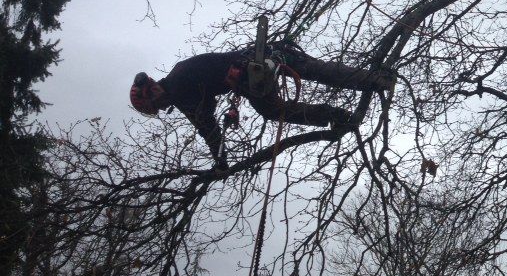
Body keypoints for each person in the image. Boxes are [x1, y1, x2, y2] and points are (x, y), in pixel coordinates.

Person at [129, 42, 393, 170]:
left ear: (154, 91)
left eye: (158, 105)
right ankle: (378, 80)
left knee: (273, 110)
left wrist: (221, 161)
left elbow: (207, 126)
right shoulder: (179, 73)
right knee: (317, 70)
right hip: (262, 53)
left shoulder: (177, 89)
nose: (163, 108)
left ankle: (337, 115)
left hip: (249, 74)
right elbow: (207, 108)